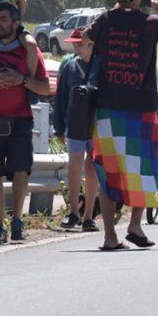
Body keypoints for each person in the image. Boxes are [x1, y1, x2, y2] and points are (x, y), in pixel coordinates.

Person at [86, 0, 158, 250]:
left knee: (108, 172)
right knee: (144, 167)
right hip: (140, 108)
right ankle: (135, 225)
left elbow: (85, 40)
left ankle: (109, 236)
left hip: (107, 108)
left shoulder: (104, 20)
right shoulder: (151, 22)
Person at [0, 2, 50, 244]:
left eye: (3, 19)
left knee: (21, 170)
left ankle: (17, 221)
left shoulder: (28, 51)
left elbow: (44, 87)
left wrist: (20, 79)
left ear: (15, 23)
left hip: (20, 118)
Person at [53, 28, 100, 232]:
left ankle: (89, 216)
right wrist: (59, 128)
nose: (76, 47)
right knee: (74, 166)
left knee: (92, 168)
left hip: (97, 124)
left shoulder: (101, 65)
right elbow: (60, 98)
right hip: (74, 122)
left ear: (91, 44)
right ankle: (73, 212)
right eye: (75, 44)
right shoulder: (69, 66)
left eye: (80, 43)